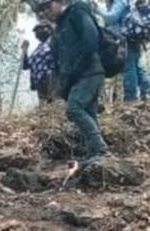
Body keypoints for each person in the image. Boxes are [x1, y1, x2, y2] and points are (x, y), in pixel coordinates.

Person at [40, 0, 110, 160]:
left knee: (74, 108)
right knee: (89, 113)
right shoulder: (59, 26)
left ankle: (100, 148)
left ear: (59, 2)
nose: (46, 12)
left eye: (48, 7)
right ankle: (95, 154)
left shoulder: (77, 11)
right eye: (42, 10)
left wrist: (75, 69)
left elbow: (91, 41)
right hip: (78, 76)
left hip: (90, 72)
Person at [103, 0, 150, 101]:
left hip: (125, 38)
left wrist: (96, 9)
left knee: (129, 67)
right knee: (137, 66)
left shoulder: (120, 1)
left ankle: (131, 97)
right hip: (135, 37)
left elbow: (111, 18)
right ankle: (145, 93)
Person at [22, 23, 59, 103]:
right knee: (43, 105)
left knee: (53, 102)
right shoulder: (37, 50)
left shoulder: (55, 43)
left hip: (52, 78)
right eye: (37, 31)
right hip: (39, 81)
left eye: (42, 29)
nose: (39, 32)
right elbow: (25, 66)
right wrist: (24, 52)